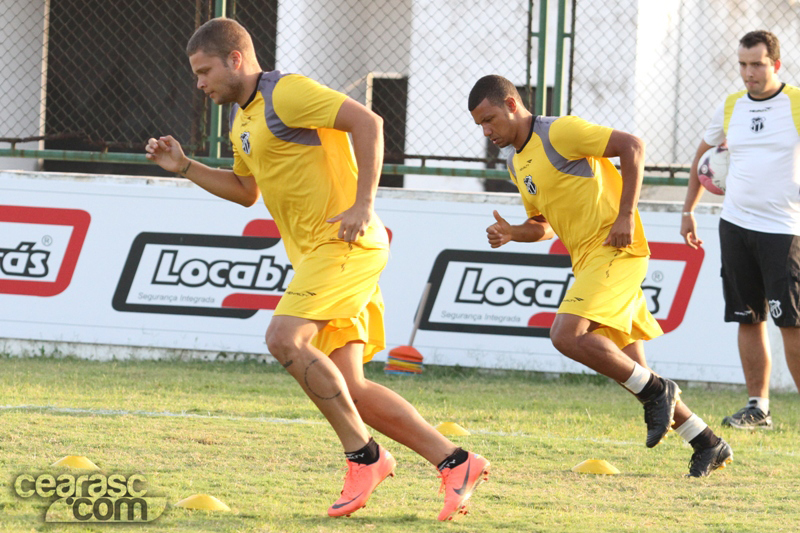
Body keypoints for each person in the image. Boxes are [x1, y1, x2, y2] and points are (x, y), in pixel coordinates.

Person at [146, 17, 489, 521]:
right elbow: (246, 192)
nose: (199, 83)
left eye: (204, 71)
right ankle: (456, 462)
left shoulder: (286, 93)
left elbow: (368, 123)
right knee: (352, 388)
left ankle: (364, 458)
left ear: (235, 59)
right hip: (319, 256)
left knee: (285, 339)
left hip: (346, 242)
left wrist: (362, 204)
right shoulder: (243, 121)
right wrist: (187, 167)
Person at [468, 75, 732, 477]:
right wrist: (513, 233)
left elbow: (633, 146)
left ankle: (660, 393)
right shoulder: (515, 163)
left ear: (510, 103)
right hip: (589, 263)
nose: (487, 132)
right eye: (479, 126)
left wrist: (626, 214)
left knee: (566, 335)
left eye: (490, 119)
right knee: (632, 371)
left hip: (616, 251)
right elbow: (544, 225)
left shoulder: (560, 131)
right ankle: (706, 442)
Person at [681, 30, 800, 430]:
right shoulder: (732, 106)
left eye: (757, 64)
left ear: (776, 65)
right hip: (734, 225)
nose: (748, 73)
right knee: (747, 317)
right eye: (743, 64)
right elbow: (701, 158)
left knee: (792, 323)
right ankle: (758, 408)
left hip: (784, 230)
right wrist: (688, 212)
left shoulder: (796, 104)